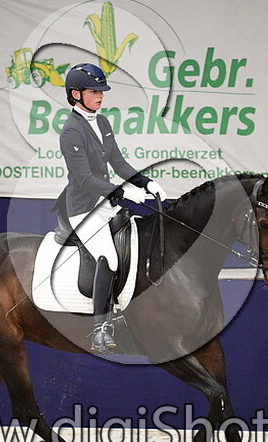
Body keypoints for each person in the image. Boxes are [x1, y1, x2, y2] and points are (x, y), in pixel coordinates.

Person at [55, 62, 166, 354]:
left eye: (101, 91)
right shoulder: (71, 131)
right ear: (76, 94)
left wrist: (146, 182)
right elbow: (83, 179)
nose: (100, 96)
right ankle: (100, 328)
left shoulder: (102, 122)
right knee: (109, 257)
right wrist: (121, 192)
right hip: (83, 208)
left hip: (105, 203)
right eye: (94, 91)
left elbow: (118, 162)